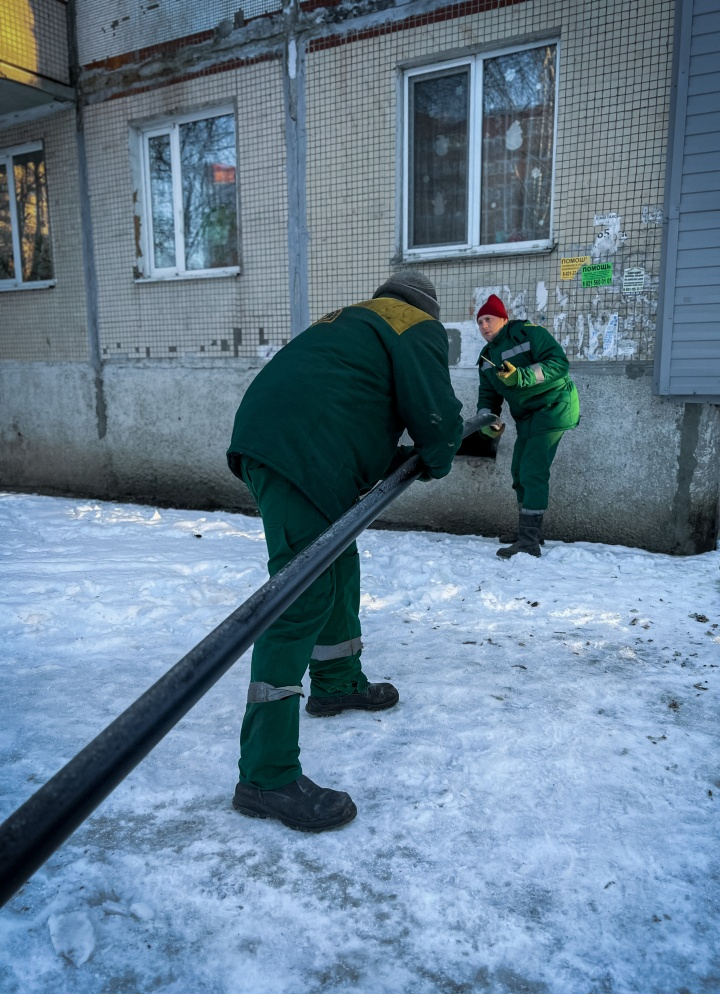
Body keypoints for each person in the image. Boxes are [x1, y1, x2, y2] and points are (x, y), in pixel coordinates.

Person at [226, 271, 463, 832]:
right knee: (299, 594)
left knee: (336, 559)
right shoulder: (414, 326)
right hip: (299, 451)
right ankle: (266, 774)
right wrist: (439, 452)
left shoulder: (357, 320)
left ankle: (336, 684)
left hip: (286, 441)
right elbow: (436, 414)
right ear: (426, 309)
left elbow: (350, 405)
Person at [475, 294, 579, 558]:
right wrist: (487, 422)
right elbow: (488, 396)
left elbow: (559, 364)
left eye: (489, 319)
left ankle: (529, 543)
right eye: (479, 322)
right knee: (519, 471)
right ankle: (529, 532)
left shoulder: (528, 334)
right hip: (528, 417)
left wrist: (521, 376)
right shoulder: (486, 358)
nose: (484, 326)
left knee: (532, 470)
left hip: (554, 408)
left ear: (504, 319)